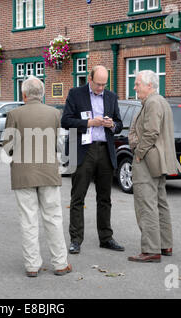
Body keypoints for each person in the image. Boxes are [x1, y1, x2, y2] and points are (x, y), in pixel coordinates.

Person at [3, 76, 72, 277]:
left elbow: (7, 146)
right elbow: (61, 145)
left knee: (28, 220)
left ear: (24, 94)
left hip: (23, 174)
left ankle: (32, 265)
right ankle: (60, 263)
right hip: (49, 171)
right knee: (53, 219)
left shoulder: (14, 114)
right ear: (42, 94)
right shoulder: (54, 113)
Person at [61, 65, 124, 254]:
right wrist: (89, 123)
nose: (100, 88)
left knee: (105, 198)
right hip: (83, 151)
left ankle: (106, 238)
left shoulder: (111, 97)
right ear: (90, 79)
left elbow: (120, 125)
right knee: (78, 197)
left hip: (104, 150)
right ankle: (76, 240)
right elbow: (65, 121)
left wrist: (112, 124)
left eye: (104, 85)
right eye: (98, 84)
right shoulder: (75, 94)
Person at [127, 70, 181, 263]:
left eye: (137, 84)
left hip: (148, 160)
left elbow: (151, 133)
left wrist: (139, 153)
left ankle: (151, 250)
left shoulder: (152, 102)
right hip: (158, 160)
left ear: (149, 85)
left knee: (146, 205)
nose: (135, 87)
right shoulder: (160, 101)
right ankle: (165, 244)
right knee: (160, 203)